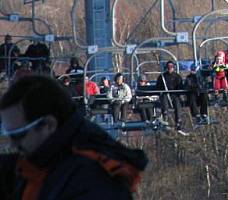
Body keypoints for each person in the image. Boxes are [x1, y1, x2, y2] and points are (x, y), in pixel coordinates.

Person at [0, 75, 148, 199]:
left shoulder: (91, 180)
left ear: (48, 125)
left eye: (18, 135)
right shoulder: (38, 163)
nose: (13, 144)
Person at [156, 61, 184, 130]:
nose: (170, 69)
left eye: (171, 67)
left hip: (174, 94)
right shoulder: (162, 77)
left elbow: (180, 86)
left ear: (173, 68)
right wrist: (162, 90)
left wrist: (178, 93)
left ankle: (178, 120)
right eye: (168, 67)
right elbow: (158, 87)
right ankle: (165, 115)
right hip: (165, 94)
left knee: (177, 102)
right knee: (164, 98)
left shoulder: (177, 76)